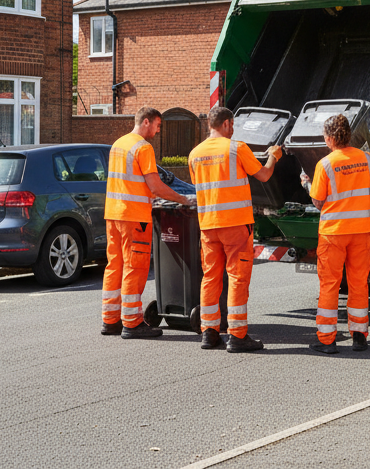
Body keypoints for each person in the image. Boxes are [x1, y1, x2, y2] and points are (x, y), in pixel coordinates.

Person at [188, 106, 282, 352]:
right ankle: (237, 336)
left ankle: (209, 333)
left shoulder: (194, 154)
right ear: (227, 124)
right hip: (236, 226)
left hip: (208, 226)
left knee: (210, 278)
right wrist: (273, 156)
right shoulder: (237, 148)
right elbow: (263, 175)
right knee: (237, 279)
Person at [102, 106, 193, 339]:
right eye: (158, 125)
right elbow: (155, 186)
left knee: (115, 266)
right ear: (146, 122)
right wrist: (183, 198)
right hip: (134, 218)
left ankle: (111, 320)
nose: (158, 131)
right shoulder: (143, 147)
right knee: (135, 267)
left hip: (113, 214)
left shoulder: (118, 144)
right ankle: (132, 323)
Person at [305, 113, 370, 353]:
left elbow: (318, 202)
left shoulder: (325, 164)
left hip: (334, 233)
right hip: (362, 231)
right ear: (349, 135)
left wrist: (306, 183)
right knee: (359, 283)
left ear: (328, 139)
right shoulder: (367, 159)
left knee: (330, 285)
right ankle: (359, 336)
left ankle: (327, 340)